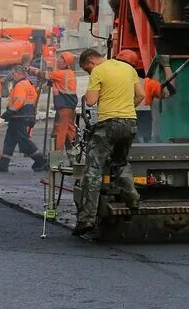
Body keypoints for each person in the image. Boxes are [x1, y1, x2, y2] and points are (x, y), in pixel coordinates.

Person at [74, 48, 145, 238]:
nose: (89, 72)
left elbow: (90, 101)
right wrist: (126, 109)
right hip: (129, 123)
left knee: (94, 170)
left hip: (108, 125)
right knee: (120, 162)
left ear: (90, 62)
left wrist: (91, 94)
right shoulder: (127, 69)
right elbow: (140, 95)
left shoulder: (99, 70)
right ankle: (133, 200)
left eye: (87, 70)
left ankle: (86, 220)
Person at [0, 65, 48, 172]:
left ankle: (41, 161)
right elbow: (32, 101)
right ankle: (3, 164)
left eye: (13, 74)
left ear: (19, 74)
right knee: (10, 139)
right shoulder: (28, 84)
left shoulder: (20, 85)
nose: (12, 76)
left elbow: (20, 101)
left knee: (23, 141)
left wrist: (10, 111)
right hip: (24, 115)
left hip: (19, 116)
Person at [27, 56, 79, 152]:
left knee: (58, 133)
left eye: (61, 60)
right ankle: (75, 158)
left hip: (63, 109)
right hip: (70, 108)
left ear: (66, 63)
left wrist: (32, 70)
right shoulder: (70, 73)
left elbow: (44, 75)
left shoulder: (61, 74)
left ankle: (55, 160)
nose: (58, 61)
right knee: (70, 133)